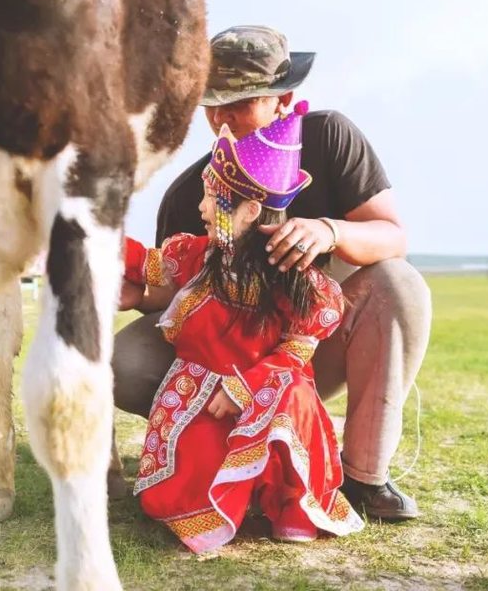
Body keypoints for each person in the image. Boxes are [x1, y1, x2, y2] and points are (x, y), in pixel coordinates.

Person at [113, 25, 431, 520]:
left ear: (283, 98)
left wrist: (329, 231)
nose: (220, 118)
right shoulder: (188, 192)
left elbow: (393, 237)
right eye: (210, 103)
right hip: (223, 360)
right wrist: (136, 292)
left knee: (399, 285)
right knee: (124, 360)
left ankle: (364, 476)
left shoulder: (329, 137)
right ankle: (219, 456)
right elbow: (178, 289)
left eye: (239, 102)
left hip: (307, 349)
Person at [120, 101, 363, 550]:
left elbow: (295, 353)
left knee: (294, 399)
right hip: (200, 391)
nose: (201, 207)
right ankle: (232, 499)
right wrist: (96, 235)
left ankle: (291, 504)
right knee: (172, 493)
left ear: (251, 210)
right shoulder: (200, 254)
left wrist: (244, 389)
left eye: (212, 198)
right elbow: (147, 264)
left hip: (263, 390)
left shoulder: (294, 278)